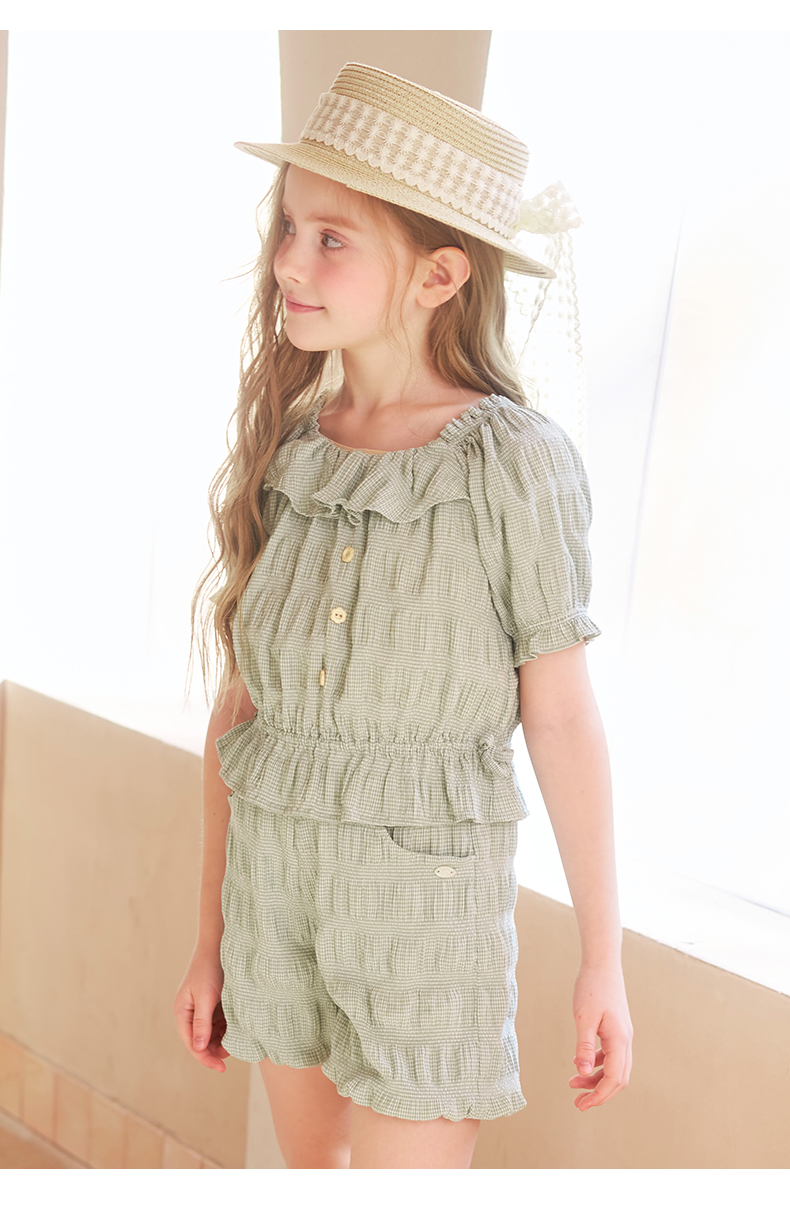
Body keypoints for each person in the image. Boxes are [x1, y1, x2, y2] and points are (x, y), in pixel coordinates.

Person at [173, 62, 633, 1170]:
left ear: (438, 275)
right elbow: (242, 713)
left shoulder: (513, 463)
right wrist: (210, 938)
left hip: (425, 921)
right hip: (274, 902)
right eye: (291, 228)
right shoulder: (292, 451)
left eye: (332, 238)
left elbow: (562, 717)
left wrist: (602, 958)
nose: (289, 262)